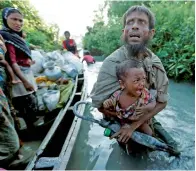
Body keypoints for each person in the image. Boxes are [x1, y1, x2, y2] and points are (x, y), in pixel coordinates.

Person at [90, 5, 178, 150]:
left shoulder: (155, 63)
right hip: (118, 118)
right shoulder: (112, 63)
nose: (135, 26)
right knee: (130, 147)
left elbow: (162, 102)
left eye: (141, 22)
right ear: (124, 32)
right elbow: (99, 105)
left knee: (173, 149)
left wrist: (136, 123)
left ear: (151, 33)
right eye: (130, 22)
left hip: (144, 115)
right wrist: (126, 122)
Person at [0, 7, 38, 130]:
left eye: (20, 20)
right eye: (14, 19)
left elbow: (20, 55)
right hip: (18, 75)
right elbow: (12, 62)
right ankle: (31, 129)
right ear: (5, 19)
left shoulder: (15, 36)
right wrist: (24, 81)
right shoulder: (7, 37)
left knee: (31, 100)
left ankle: (32, 124)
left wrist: (29, 61)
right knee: (26, 103)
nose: (18, 23)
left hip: (26, 71)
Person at [103, 60, 156, 136]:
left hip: (139, 122)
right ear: (122, 84)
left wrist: (147, 108)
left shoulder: (145, 93)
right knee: (120, 135)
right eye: (136, 80)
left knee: (149, 132)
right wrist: (106, 103)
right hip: (123, 122)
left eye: (144, 79)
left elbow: (153, 102)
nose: (142, 83)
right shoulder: (117, 96)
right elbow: (109, 105)